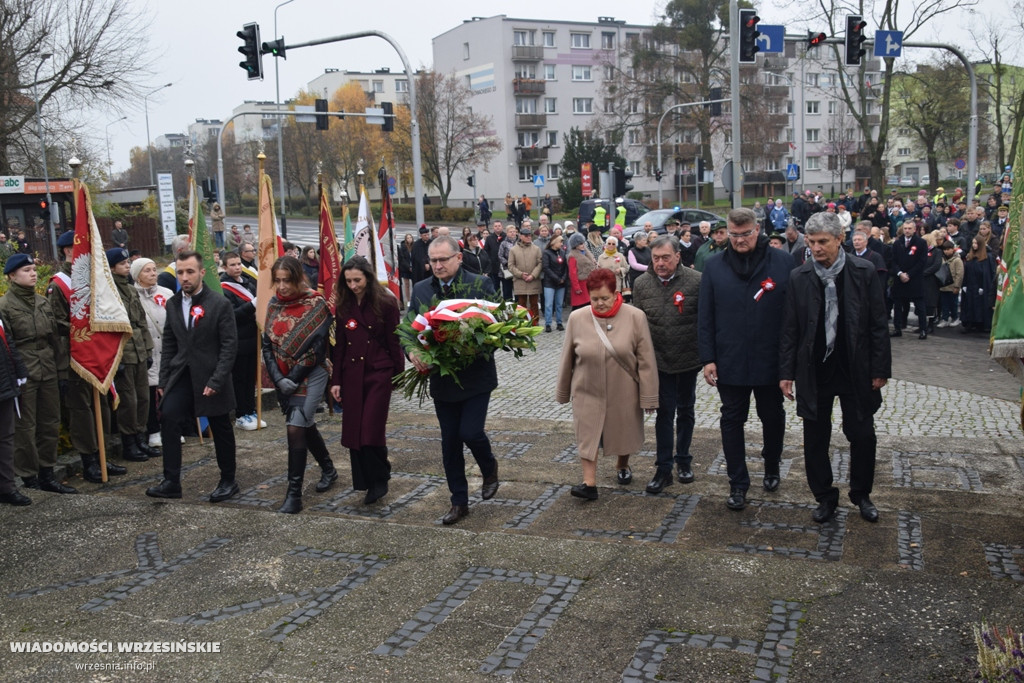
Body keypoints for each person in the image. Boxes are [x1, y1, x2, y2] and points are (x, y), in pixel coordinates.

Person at [779, 211, 891, 523]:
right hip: (815, 370)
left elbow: (878, 324)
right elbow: (790, 329)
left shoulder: (863, 271)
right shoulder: (799, 276)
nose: (816, 248)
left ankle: (861, 494)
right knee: (816, 438)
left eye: (823, 242)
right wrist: (786, 373)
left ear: (840, 239)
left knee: (863, 434)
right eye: (811, 242)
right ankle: (825, 496)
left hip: (856, 367)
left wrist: (880, 368)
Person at [698, 208, 794, 510]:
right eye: (734, 234)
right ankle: (738, 483)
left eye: (745, 234)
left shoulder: (782, 263)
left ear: (758, 230)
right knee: (731, 420)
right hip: (730, 358)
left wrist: (788, 365)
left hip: (770, 359)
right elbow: (705, 316)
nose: (739, 240)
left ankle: (771, 466)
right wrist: (708, 357)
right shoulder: (714, 266)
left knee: (773, 416)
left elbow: (792, 319)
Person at [408, 236, 500, 525]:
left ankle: (489, 466)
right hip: (442, 380)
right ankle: (459, 501)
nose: (436, 265)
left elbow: (499, 329)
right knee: (449, 443)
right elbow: (409, 329)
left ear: (458, 258)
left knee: (470, 433)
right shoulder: (421, 290)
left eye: (442, 260)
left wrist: (473, 345)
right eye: (433, 260)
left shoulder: (479, 285)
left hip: (476, 377)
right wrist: (412, 352)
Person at [555, 268, 658, 499]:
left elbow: (646, 360)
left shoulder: (635, 317)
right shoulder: (576, 318)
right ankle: (588, 483)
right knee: (587, 435)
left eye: (604, 298)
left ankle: (622, 465)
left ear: (616, 293)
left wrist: (649, 396)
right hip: (586, 389)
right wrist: (563, 392)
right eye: (594, 299)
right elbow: (567, 357)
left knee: (623, 433)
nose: (599, 303)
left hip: (624, 390)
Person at [146, 251, 239, 502]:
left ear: (202, 273)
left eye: (190, 272)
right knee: (169, 416)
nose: (184, 277)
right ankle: (171, 482)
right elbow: (169, 343)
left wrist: (217, 380)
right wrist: (164, 380)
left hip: (211, 376)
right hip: (182, 375)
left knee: (220, 426)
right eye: (180, 272)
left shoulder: (220, 304)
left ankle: (228, 480)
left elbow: (229, 346)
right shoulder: (174, 303)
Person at [47, 231, 128, 482]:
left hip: (95, 352)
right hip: (73, 356)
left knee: (100, 406)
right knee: (81, 409)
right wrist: (85, 330)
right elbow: (57, 321)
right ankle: (89, 459)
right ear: (68, 252)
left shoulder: (93, 280)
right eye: (79, 249)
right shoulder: (59, 284)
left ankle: (103, 455)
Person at [261, 256, 336, 513]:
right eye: (278, 281)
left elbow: (317, 349)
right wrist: (279, 379)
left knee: (295, 428)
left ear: (298, 278)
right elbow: (268, 346)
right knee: (304, 425)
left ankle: (294, 495)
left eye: (287, 280)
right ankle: (328, 468)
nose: (282, 286)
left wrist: (292, 379)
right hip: (283, 376)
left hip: (312, 373)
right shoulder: (273, 305)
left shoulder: (316, 303)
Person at [0, 254, 77, 494]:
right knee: (25, 426)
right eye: (26, 270)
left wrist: (61, 370)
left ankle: (47, 473)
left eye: (34, 269)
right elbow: (7, 344)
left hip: (47, 366)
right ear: (12, 276)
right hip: (23, 369)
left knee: (50, 421)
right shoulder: (5, 306)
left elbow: (55, 339)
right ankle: (28, 477)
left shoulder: (43, 302)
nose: (33, 273)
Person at [330, 256, 404, 504]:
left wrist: (399, 374)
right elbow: (339, 346)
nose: (353, 285)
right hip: (352, 375)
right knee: (354, 431)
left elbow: (395, 340)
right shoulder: (344, 303)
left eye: (357, 280)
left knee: (371, 429)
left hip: (378, 372)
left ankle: (380, 477)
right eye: (348, 280)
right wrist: (336, 380)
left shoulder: (385, 302)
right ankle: (365, 480)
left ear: (368, 278)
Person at [632, 235, 702, 493]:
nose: (660, 263)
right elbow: (636, 325)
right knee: (664, 413)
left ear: (677, 256)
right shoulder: (641, 283)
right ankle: (663, 468)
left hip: (688, 360)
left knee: (686, 410)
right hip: (658, 361)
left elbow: (704, 322)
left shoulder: (696, 281)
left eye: (665, 258)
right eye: (656, 258)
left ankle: (683, 460)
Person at [108, 248, 158, 462]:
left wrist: (147, 351)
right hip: (124, 352)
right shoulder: (108, 291)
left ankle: (140, 438)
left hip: (138, 350)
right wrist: (114, 359)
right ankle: (129, 442)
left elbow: (141, 323)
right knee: (128, 400)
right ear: (111, 267)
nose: (127, 266)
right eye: (122, 263)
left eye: (128, 262)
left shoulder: (130, 289)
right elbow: (109, 329)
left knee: (143, 397)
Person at [132, 257, 174, 451]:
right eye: (147, 271)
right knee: (149, 393)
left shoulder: (167, 293)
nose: (153, 273)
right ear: (137, 275)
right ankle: (153, 431)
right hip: (148, 350)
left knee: (169, 389)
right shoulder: (133, 296)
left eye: (153, 269)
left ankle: (171, 428)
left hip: (167, 349)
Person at [219, 251, 263, 431]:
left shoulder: (248, 283)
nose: (237, 267)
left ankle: (251, 410)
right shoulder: (223, 288)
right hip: (238, 341)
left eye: (238, 264)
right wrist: (251, 305)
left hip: (252, 339)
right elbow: (232, 315)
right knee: (239, 379)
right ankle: (241, 414)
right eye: (233, 265)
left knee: (250, 378)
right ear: (224, 267)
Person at [0, 307, 30, 505]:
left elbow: (6, 341)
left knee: (5, 438)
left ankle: (6, 487)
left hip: (4, 383)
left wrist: (19, 369)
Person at [890, 220, 929, 339]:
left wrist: (909, 274)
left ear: (914, 229)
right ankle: (897, 328)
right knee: (897, 305)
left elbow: (922, 261)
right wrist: (900, 273)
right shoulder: (897, 243)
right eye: (905, 228)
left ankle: (923, 330)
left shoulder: (921, 243)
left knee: (920, 306)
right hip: (899, 279)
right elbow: (893, 260)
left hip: (915, 279)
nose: (907, 230)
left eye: (909, 228)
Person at [960, 236, 997, 333]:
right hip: (971, 284)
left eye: (976, 243)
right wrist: (964, 284)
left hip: (981, 285)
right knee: (969, 303)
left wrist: (984, 286)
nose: (974, 245)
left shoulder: (987, 257)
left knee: (980, 305)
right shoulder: (970, 256)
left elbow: (989, 273)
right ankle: (970, 322)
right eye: (973, 243)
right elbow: (967, 270)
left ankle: (981, 324)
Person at [509, 225, 543, 324]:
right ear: (521, 236)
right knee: (521, 304)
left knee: (534, 304)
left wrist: (533, 275)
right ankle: (523, 323)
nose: (529, 237)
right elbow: (511, 265)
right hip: (520, 281)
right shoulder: (513, 250)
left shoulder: (536, 249)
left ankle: (535, 322)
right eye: (526, 235)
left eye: (530, 235)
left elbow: (540, 263)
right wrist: (520, 274)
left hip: (533, 280)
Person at [541, 233, 567, 332]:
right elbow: (546, 268)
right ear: (554, 242)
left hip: (561, 282)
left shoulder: (562, 253)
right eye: (560, 241)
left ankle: (559, 322)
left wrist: (563, 278)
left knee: (559, 304)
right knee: (548, 304)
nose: (562, 243)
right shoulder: (547, 253)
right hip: (550, 282)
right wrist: (557, 278)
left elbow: (565, 267)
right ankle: (548, 323)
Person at [936, 240, 964, 327]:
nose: (946, 251)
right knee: (944, 304)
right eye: (945, 249)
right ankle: (945, 318)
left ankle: (955, 318)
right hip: (943, 286)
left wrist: (957, 286)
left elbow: (959, 274)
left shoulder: (957, 260)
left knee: (953, 304)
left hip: (952, 287)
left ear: (953, 249)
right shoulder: (942, 259)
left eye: (948, 249)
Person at [567, 232, 597, 311]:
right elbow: (572, 274)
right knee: (579, 306)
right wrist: (577, 287)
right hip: (580, 284)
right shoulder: (572, 256)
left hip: (589, 283)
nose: (583, 245)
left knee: (589, 305)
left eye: (583, 243)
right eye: (580, 244)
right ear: (575, 245)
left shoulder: (586, 252)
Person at [483, 220, 506, 290]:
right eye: (496, 226)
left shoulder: (506, 237)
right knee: (495, 287)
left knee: (506, 287)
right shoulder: (489, 238)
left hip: (505, 266)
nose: (497, 227)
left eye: (499, 226)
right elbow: (485, 252)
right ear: (493, 228)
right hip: (493, 267)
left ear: (502, 227)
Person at [497, 224, 518, 301]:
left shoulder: (519, 242)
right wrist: (507, 263)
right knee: (507, 292)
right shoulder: (503, 243)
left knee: (517, 292)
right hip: (507, 270)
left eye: (514, 231)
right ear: (507, 233)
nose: (512, 233)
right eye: (510, 232)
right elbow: (500, 255)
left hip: (517, 270)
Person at [398, 233, 415, 304]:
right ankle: (408, 300)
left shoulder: (415, 246)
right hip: (406, 268)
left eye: (410, 238)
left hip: (414, 268)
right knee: (407, 284)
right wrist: (408, 267)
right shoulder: (403, 247)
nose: (409, 239)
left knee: (415, 284)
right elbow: (402, 259)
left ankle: (414, 298)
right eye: (408, 238)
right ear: (405, 239)